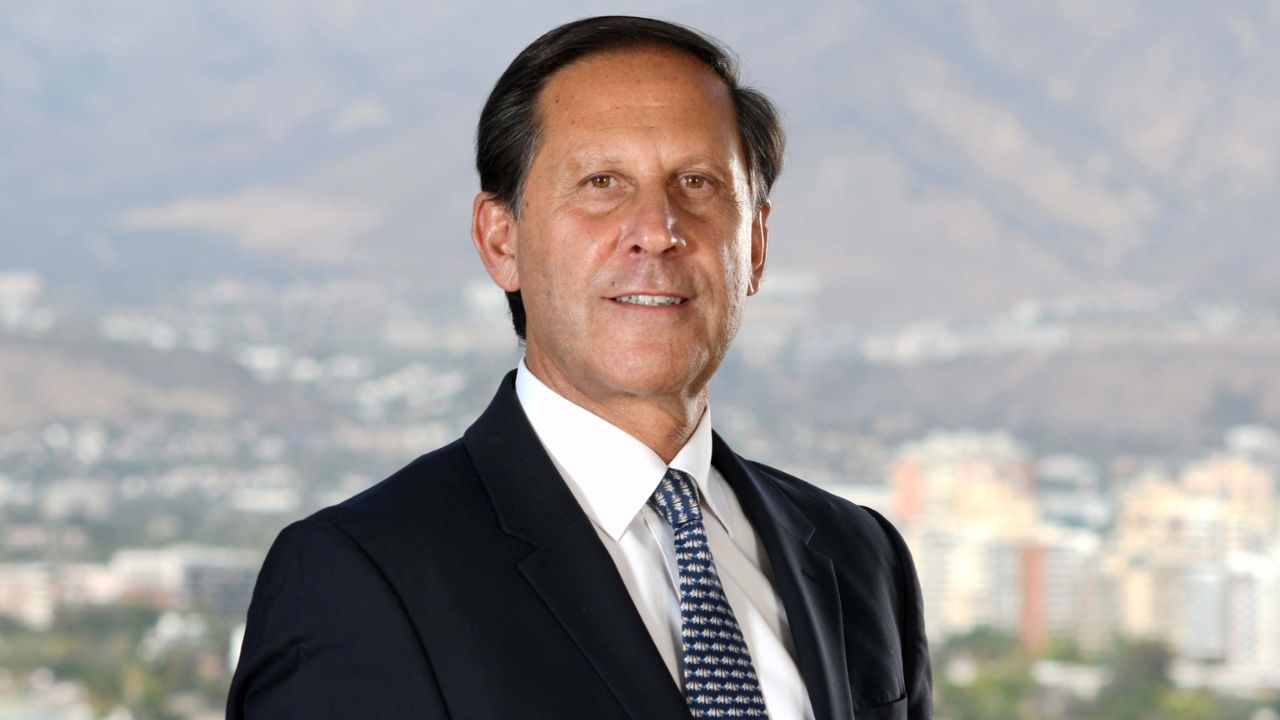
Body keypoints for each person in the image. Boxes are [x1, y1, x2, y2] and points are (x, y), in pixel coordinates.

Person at [228, 15, 931, 720]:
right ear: (501, 240)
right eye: (601, 182)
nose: (658, 231)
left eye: (697, 182)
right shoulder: (360, 577)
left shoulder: (861, 558)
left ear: (755, 245)